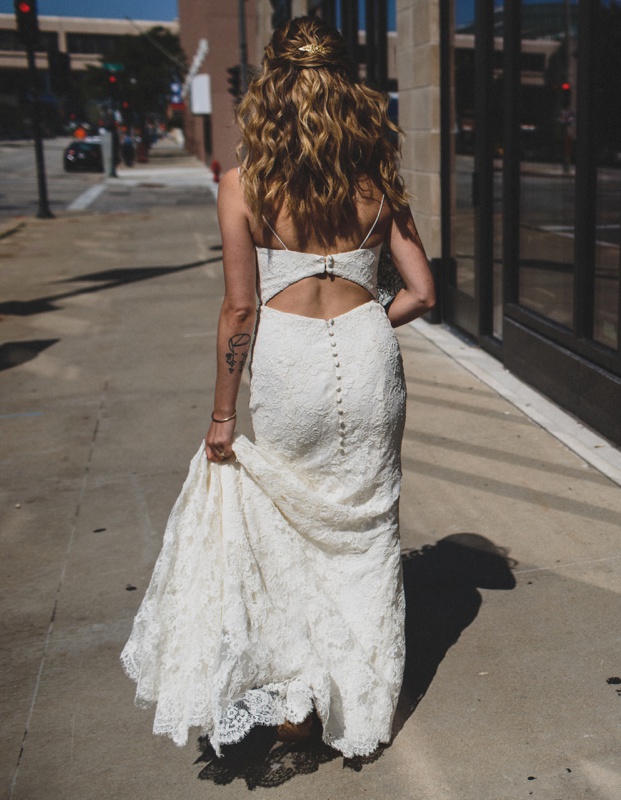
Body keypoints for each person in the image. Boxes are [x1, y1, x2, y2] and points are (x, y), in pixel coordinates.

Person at [120, 16, 435, 759]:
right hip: (367, 359)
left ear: (270, 92)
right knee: (367, 532)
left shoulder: (243, 184)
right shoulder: (378, 180)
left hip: (289, 368)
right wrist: (365, 328)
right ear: (347, 91)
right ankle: (361, 706)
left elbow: (238, 308)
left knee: (293, 533)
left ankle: (299, 698)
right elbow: (421, 293)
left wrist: (222, 415)